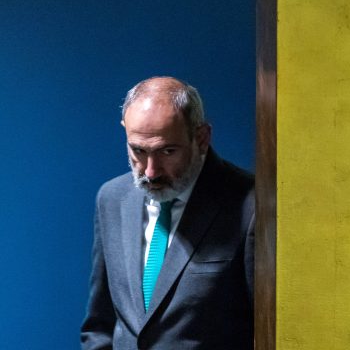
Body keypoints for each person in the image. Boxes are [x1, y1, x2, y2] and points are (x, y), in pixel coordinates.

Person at [81, 77, 255, 349]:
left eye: (167, 151)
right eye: (138, 151)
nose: (150, 172)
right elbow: (99, 323)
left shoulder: (251, 204)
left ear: (201, 138)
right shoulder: (111, 199)